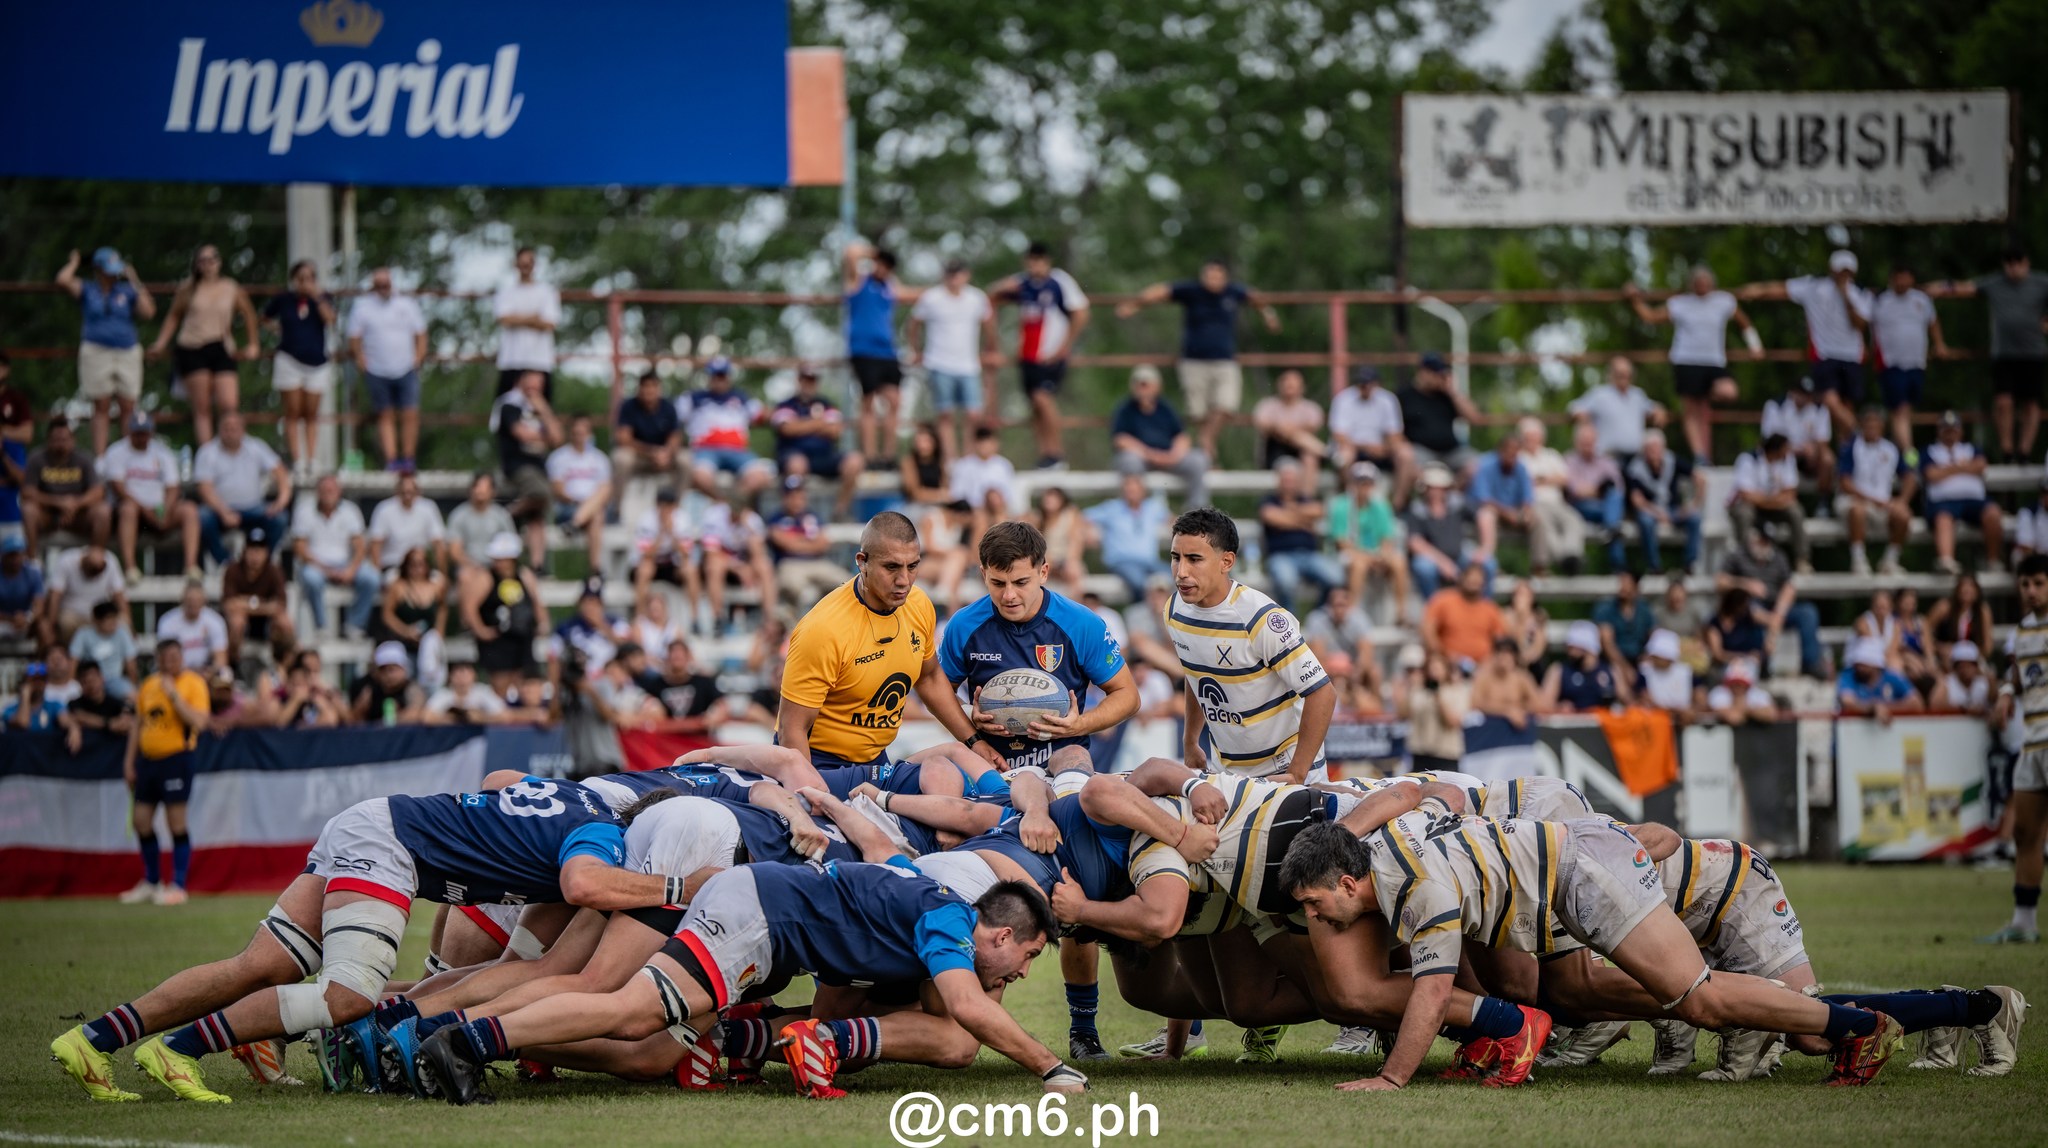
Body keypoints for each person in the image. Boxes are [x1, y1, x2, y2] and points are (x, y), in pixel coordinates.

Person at [52, 772, 672, 1106]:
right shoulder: (605, 835)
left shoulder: (574, 798)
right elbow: (584, 881)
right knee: (344, 998)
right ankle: (178, 1049)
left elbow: (504, 778)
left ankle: (92, 1040)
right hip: (388, 848)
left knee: (261, 964)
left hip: (373, 822)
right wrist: (675, 885)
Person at [1280, 817, 1909, 1095]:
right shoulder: (1385, 847)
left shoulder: (1418, 890)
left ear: (1346, 882)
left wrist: (1391, 1078)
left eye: (1313, 903)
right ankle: (1846, 1025)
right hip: (1579, 864)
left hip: (1586, 874)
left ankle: (1859, 1029)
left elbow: (1434, 994)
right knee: (1699, 999)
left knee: (1705, 1002)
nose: (1315, 919)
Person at [414, 866, 1072, 1106]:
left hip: (761, 909)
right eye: (1030, 956)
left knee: (637, 1027)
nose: (1021, 974)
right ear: (1001, 935)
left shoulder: (933, 912)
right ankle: (464, 1040)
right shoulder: (948, 920)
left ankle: (470, 1038)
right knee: (627, 1010)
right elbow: (960, 1007)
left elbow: (835, 1003)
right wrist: (1052, 1068)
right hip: (758, 914)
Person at [778, 511, 993, 775]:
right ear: (862, 561)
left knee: (952, 773)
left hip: (876, 762)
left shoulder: (919, 604)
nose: (904, 580)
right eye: (891, 567)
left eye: (912, 566)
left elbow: (929, 678)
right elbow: (792, 731)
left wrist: (974, 741)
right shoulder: (822, 629)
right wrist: (810, 796)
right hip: (820, 765)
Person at [940, 521, 1139, 788]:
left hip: (1061, 760)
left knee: (1074, 767)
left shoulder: (1080, 623)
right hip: (990, 762)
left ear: (1043, 572)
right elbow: (937, 692)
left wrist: (1077, 725)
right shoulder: (963, 625)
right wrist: (971, 729)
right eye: (998, 583)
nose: (1009, 595)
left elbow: (1128, 696)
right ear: (983, 574)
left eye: (1021, 582)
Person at [1166, 507, 1334, 783]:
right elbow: (1196, 673)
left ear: (1227, 561)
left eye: (1194, 559)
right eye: (1175, 558)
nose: (1181, 571)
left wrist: (1297, 773)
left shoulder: (1261, 619)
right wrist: (1190, 740)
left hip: (1285, 771)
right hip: (1229, 774)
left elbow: (1323, 694)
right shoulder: (1174, 610)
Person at [1118, 259, 1281, 461]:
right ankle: (1207, 454)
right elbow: (1161, 291)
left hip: (1224, 360)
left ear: (1225, 277)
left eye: (1218, 275)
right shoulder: (1192, 291)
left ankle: (1206, 442)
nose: (1213, 280)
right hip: (1193, 361)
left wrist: (1269, 314)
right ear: (1202, 276)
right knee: (1197, 412)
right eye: (1209, 275)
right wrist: (1135, 305)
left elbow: (1256, 297)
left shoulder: (1233, 292)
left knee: (1227, 405)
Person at [1623, 268, 1758, 460]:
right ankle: (1700, 456)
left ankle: (1703, 451)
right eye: (1698, 282)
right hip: (1685, 360)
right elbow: (1651, 317)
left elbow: (1744, 322)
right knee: (1693, 413)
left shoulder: (1724, 301)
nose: (1702, 285)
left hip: (1714, 362)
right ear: (1691, 284)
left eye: (1705, 281)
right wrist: (1634, 299)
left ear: (1712, 283)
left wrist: (1755, 345)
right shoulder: (1680, 304)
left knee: (1727, 392)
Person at [1929, 249, 2048, 460]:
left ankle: (2025, 450)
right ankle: (2007, 449)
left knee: (2031, 403)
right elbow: (1966, 287)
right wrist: (1940, 287)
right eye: (2009, 262)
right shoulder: (1995, 283)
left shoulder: (2041, 282)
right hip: (2004, 353)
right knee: (2003, 402)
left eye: (2018, 261)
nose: (2014, 267)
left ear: (2027, 263)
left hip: (2034, 352)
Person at [1739, 250, 1874, 435]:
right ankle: (1862, 434)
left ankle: (1848, 451)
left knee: (1846, 406)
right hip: (1825, 354)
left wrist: (1846, 297)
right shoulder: (1814, 286)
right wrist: (1756, 290)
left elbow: (1860, 324)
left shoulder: (1861, 293)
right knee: (1831, 401)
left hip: (1852, 355)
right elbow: (1782, 289)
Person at [123, 638, 211, 906]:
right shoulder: (148, 685)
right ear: (158, 659)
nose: (169, 661)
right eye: (164, 657)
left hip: (177, 758)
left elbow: (199, 722)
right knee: (141, 821)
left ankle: (179, 885)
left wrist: (174, 695)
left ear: (182, 657)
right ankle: (151, 881)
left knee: (176, 822)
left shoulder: (192, 683)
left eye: (174, 656)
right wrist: (129, 761)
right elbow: (138, 724)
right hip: (148, 762)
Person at [990, 241, 1090, 470]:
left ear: (1047, 261)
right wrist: (1007, 284)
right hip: (1029, 355)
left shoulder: (1059, 281)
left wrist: (1064, 347)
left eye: (1039, 260)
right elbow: (993, 294)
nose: (1035, 265)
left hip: (1051, 355)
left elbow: (1082, 313)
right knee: (1034, 405)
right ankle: (1045, 454)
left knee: (1043, 399)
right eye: (1031, 261)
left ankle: (1057, 453)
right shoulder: (1023, 284)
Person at [1990, 553, 2048, 943]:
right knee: (2026, 831)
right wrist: (2008, 691)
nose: (2031, 591)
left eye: (2039, 583)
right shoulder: (2024, 631)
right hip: (2032, 741)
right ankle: (2024, 923)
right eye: (2025, 584)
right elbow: (2019, 672)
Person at [147, 244, 258, 444]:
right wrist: (160, 343)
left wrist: (253, 344)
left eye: (212, 259)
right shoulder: (188, 288)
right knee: (202, 408)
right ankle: (207, 457)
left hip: (222, 346)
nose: (208, 265)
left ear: (219, 261)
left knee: (229, 404)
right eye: (203, 260)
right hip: (192, 347)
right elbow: (174, 316)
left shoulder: (230, 287)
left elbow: (248, 313)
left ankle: (232, 449)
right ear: (197, 264)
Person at [57, 246, 155, 455]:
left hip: (126, 349)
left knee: (128, 404)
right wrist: (75, 262)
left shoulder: (127, 290)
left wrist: (134, 279)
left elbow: (148, 312)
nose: (113, 274)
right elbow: (63, 279)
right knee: (100, 405)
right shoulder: (88, 289)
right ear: (98, 269)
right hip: (96, 349)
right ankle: (101, 458)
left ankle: (129, 456)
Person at [906, 259, 998, 460]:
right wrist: (915, 350)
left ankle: (969, 457)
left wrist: (991, 349)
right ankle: (950, 459)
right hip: (938, 363)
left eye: (958, 273)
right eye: (950, 273)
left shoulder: (976, 298)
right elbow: (913, 324)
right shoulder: (931, 298)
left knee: (973, 414)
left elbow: (989, 324)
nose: (954, 278)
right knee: (944, 413)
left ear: (966, 275)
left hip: (968, 365)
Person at [346, 266, 428, 470]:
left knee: (410, 414)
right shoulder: (362, 307)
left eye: (387, 284)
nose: (384, 288)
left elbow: (421, 333)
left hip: (406, 368)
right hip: (376, 370)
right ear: (373, 286)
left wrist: (418, 358)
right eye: (379, 285)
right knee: (384, 416)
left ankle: (408, 460)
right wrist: (360, 360)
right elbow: (354, 337)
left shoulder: (406, 304)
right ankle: (392, 461)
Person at [100, 411, 197, 582]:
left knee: (189, 510)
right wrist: (145, 510)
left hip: (159, 510)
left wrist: (164, 511)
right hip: (131, 512)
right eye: (137, 432)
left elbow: (173, 487)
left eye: (144, 432)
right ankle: (130, 568)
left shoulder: (162, 452)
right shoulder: (116, 452)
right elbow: (118, 488)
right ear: (129, 431)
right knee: (128, 510)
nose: (141, 437)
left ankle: (190, 566)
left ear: (151, 432)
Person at [261, 259, 337, 475]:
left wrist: (317, 297)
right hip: (288, 360)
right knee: (292, 412)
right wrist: (276, 329)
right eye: (301, 278)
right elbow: (264, 318)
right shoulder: (283, 300)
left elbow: (330, 320)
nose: (305, 282)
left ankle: (312, 459)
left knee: (311, 413)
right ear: (294, 280)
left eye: (310, 278)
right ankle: (298, 459)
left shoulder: (324, 299)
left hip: (317, 363)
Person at [842, 243, 914, 461]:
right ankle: (870, 456)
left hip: (888, 353)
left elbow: (907, 292)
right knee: (868, 402)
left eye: (887, 266)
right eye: (880, 264)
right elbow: (852, 252)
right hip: (863, 352)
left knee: (895, 401)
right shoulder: (859, 282)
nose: (882, 269)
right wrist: (877, 253)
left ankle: (888, 455)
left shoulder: (888, 288)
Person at [1719, 527, 1822, 678]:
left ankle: (1811, 663)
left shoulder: (1778, 557)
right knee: (1751, 610)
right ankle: (1763, 664)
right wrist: (1746, 584)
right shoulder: (1738, 555)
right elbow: (1720, 581)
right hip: (1748, 607)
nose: (1764, 544)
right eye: (1762, 540)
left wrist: (1779, 612)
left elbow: (1789, 587)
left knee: (1808, 613)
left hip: (1776, 608)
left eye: (1767, 541)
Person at [193, 413, 290, 567]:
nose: (231, 433)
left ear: (243, 430)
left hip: (254, 508)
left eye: (234, 428)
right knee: (202, 517)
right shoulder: (207, 452)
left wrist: (281, 501)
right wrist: (223, 512)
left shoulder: (256, 447)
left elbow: (281, 473)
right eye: (227, 428)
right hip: (220, 511)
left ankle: (263, 562)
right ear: (219, 429)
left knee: (280, 518)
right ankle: (224, 563)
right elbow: (204, 489)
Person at [1871, 265, 1950, 454]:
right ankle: (1909, 452)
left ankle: (1895, 447)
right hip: (1891, 362)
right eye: (1898, 277)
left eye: (1905, 277)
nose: (1901, 282)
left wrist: (1939, 344)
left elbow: (1933, 322)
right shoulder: (1880, 301)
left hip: (1916, 362)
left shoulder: (1921, 299)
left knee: (1906, 409)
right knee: (1900, 408)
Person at [771, 363, 866, 519]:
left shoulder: (827, 403)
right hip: (794, 454)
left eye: (812, 380)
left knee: (856, 461)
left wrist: (801, 424)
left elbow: (835, 431)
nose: (808, 383)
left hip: (824, 456)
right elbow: (787, 429)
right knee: (797, 464)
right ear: (799, 381)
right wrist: (819, 423)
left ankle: (840, 511)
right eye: (805, 379)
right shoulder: (785, 404)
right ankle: (800, 515)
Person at [489, 369, 563, 568]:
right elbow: (523, 435)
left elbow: (558, 438)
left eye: (540, 381)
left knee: (537, 517)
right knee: (543, 494)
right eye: (532, 379)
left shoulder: (542, 407)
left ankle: (537, 565)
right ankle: (506, 515)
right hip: (516, 466)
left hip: (538, 468)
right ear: (521, 380)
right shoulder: (508, 405)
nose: (536, 385)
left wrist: (544, 410)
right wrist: (547, 438)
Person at [291, 474, 380, 639]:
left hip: (345, 563)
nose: (328, 494)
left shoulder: (350, 511)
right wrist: (325, 570)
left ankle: (355, 625)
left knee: (371, 578)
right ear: (317, 492)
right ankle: (321, 626)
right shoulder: (304, 511)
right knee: (311, 578)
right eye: (324, 490)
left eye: (331, 490)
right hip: (315, 564)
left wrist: (351, 570)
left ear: (339, 492)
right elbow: (300, 549)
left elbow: (360, 547)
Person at [461, 534, 551, 695]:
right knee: (500, 683)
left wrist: (543, 622)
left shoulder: (524, 576)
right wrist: (480, 630)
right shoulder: (486, 578)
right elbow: (469, 606)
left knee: (525, 682)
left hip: (522, 636)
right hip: (498, 639)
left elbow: (536, 601)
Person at [1111, 365, 1209, 507]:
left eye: (1146, 385)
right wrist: (1150, 454)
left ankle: (1197, 510)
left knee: (1198, 460)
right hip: (1142, 459)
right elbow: (1120, 440)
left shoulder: (1166, 409)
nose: (1142, 389)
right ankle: (1137, 510)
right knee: (1129, 460)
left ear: (1157, 386)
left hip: (1169, 458)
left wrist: (1173, 455)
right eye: (1139, 385)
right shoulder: (1125, 410)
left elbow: (1182, 436)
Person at [680, 356, 773, 501]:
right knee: (699, 476)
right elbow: (671, 417)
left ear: (728, 377)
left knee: (762, 475)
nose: (719, 380)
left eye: (722, 376)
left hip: (737, 451)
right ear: (709, 377)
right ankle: (724, 504)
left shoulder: (742, 398)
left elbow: (766, 415)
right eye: (715, 376)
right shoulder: (694, 398)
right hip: (706, 450)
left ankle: (734, 504)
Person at [1922, 410, 2003, 575]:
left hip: (1974, 501)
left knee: (1994, 513)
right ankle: (1946, 561)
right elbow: (1931, 474)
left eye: (1953, 429)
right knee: (1943, 518)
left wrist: (1947, 469)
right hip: (1943, 502)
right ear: (1939, 431)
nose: (1950, 434)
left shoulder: (1972, 448)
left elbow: (1980, 466)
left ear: (1960, 431)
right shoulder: (1928, 451)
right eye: (1946, 429)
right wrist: (1963, 467)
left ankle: (1992, 561)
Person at [1838, 406, 1914, 577]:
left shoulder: (1892, 449)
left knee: (1904, 515)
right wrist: (1872, 499)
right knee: (1857, 510)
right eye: (1868, 423)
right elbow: (1845, 483)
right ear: (1861, 425)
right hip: (1854, 500)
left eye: (1876, 423)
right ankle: (1858, 560)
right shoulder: (1850, 447)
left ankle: (1890, 560)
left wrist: (1902, 501)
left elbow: (1910, 476)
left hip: (1882, 503)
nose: (1872, 427)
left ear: (1883, 426)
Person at [1328, 461, 1408, 619]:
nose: (1365, 487)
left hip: (1373, 553)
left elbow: (1387, 538)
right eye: (1361, 482)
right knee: (1359, 565)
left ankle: (1401, 612)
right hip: (1350, 554)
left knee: (1399, 562)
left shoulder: (1381, 506)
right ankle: (1353, 612)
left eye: (1368, 483)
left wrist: (1383, 554)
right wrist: (1371, 557)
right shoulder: (1341, 505)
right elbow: (1342, 543)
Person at [1259, 459, 1343, 610]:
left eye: (1292, 480)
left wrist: (1287, 514)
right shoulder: (1268, 500)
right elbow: (1271, 516)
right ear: (1279, 481)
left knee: (1336, 577)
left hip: (1309, 555)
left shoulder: (1305, 499)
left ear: (1298, 481)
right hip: (1280, 555)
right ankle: (1289, 623)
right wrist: (1304, 522)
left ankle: (1316, 616)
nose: (1288, 483)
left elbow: (1319, 510)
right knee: (1286, 581)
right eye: (1285, 479)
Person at [1328, 365, 1417, 504]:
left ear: (1377, 383)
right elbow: (1339, 435)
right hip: (1354, 449)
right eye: (1362, 383)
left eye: (1368, 382)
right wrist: (1367, 447)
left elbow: (1395, 434)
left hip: (1381, 450)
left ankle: (1398, 504)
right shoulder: (1343, 398)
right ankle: (1349, 501)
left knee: (1406, 454)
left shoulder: (1388, 399)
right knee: (1344, 455)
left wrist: (1385, 448)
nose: (1365, 386)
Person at [22, 416, 109, 553]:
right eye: (56, 440)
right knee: (28, 510)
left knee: (103, 510)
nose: (61, 444)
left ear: (73, 440)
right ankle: (32, 561)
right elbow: (27, 493)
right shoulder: (36, 458)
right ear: (48, 441)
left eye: (65, 439)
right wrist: (58, 502)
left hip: (78, 516)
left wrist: (75, 504)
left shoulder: (84, 459)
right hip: (47, 515)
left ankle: (96, 557)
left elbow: (98, 491)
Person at [1728, 433, 1809, 572]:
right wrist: (1775, 499)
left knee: (1796, 511)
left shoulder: (1788, 460)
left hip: (1772, 508)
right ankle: (1743, 560)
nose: (1788, 453)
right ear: (1775, 450)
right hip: (1752, 507)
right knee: (1744, 513)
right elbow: (1746, 495)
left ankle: (1802, 559)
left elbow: (1790, 494)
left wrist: (1766, 500)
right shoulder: (1748, 459)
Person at [1624, 429, 1701, 575]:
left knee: (1695, 518)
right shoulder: (1635, 469)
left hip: (1673, 509)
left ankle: (1690, 564)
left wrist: (1693, 504)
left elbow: (1700, 479)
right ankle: (1654, 566)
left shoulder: (1672, 460)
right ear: (1644, 451)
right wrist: (1658, 514)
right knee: (1645, 522)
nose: (1654, 452)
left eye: (1657, 448)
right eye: (1650, 449)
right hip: (1650, 510)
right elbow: (1637, 500)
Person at [1083, 471, 1170, 600]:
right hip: (1122, 561)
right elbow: (1082, 516)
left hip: (1149, 561)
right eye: (1128, 490)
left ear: (1142, 491)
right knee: (1139, 583)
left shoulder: (1152, 508)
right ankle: (1142, 616)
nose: (1131, 493)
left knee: (1177, 576)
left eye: (1134, 490)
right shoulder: (1112, 508)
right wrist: (1088, 529)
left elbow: (1172, 520)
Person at [546, 414, 614, 572]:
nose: (579, 436)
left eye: (583, 432)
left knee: (598, 508)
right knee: (597, 513)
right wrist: (581, 502)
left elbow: (605, 490)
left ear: (590, 434)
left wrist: (588, 505)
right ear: (571, 433)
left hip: (592, 508)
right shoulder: (558, 457)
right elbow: (557, 490)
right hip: (567, 507)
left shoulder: (600, 459)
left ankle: (575, 524)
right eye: (576, 432)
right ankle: (595, 569)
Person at [220, 524, 295, 667]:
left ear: (266, 552)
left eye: (259, 550)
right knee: (237, 622)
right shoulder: (233, 570)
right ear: (244, 551)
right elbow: (229, 605)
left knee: (285, 623)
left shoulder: (274, 571)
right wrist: (264, 604)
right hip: (244, 620)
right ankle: (233, 664)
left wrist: (245, 603)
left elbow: (280, 606)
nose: (255, 555)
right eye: (252, 549)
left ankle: (285, 666)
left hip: (266, 621)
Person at [766, 476, 843, 613]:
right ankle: (794, 626)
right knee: (793, 586)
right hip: (790, 563)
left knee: (846, 583)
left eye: (799, 493)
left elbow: (823, 543)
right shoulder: (776, 518)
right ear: (784, 497)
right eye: (791, 495)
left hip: (817, 562)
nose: (796, 498)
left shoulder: (813, 516)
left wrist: (795, 540)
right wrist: (808, 542)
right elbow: (784, 543)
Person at [1517, 416, 1583, 575]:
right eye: (1528, 436)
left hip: (1557, 503)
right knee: (1545, 527)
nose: (1532, 440)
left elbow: (1565, 479)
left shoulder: (1551, 455)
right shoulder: (1518, 458)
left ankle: (1571, 555)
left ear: (1541, 437)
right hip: (1533, 504)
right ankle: (1565, 561)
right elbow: (1521, 484)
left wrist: (1540, 479)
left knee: (1574, 520)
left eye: (1535, 436)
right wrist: (1548, 479)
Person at [1569, 356, 1665, 465]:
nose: (1624, 377)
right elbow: (1575, 406)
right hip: (1608, 456)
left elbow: (1652, 407)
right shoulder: (1600, 394)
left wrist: (1659, 409)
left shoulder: (1637, 395)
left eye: (1627, 374)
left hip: (1636, 457)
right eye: (1620, 374)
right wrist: (1581, 416)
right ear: (1611, 375)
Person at [1397, 352, 1480, 474]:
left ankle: (1453, 491)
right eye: (1436, 373)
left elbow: (1474, 418)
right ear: (1423, 372)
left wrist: (1452, 392)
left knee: (1478, 465)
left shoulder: (1447, 395)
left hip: (1451, 451)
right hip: (1421, 451)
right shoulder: (1404, 396)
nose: (1439, 377)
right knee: (1413, 462)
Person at [493, 245, 560, 398]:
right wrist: (534, 318)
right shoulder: (506, 291)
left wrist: (517, 318)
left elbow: (549, 323)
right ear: (515, 264)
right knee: (505, 408)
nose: (526, 266)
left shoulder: (547, 292)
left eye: (529, 262)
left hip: (540, 360)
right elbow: (503, 319)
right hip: (511, 360)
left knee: (541, 411)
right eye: (523, 263)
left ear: (535, 265)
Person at [1405, 463, 1478, 600]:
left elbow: (1483, 514)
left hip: (1460, 554)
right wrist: (1443, 563)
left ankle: (1480, 608)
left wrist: (1486, 548)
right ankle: (1435, 608)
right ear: (1425, 489)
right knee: (1423, 568)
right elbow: (1415, 542)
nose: (1436, 492)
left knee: (1486, 563)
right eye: (1432, 487)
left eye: (1440, 488)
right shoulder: (1417, 509)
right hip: (1432, 559)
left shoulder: (1458, 503)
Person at [610, 370, 689, 495]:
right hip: (640, 456)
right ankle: (616, 509)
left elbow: (675, 437)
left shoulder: (668, 407)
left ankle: (676, 507)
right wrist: (651, 452)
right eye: (645, 386)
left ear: (659, 388)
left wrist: (666, 453)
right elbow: (624, 439)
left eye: (653, 386)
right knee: (621, 459)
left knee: (685, 460)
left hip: (664, 457)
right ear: (639, 388)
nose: (649, 390)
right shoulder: (629, 406)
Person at [40, 542, 128, 652]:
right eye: (93, 571)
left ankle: (112, 661)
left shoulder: (111, 560)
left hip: (100, 617)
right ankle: (71, 656)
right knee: (66, 622)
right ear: (84, 562)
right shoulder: (66, 560)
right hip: (73, 616)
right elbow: (55, 596)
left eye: (98, 572)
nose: (95, 575)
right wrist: (51, 626)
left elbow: (119, 596)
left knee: (123, 624)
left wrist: (130, 627)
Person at [1761, 378, 1836, 504]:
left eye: (1807, 395)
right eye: (1801, 393)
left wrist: (1814, 448)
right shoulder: (1775, 406)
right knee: (1774, 455)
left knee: (1828, 458)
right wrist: (1793, 449)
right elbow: (1770, 441)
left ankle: (1823, 502)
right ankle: (1776, 498)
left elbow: (1823, 441)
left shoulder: (1819, 408)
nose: (1804, 398)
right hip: (1782, 453)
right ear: (1792, 392)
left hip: (1808, 458)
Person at [1563, 422, 1627, 570]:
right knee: (1614, 522)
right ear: (1576, 443)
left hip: (1606, 506)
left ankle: (1611, 530)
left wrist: (1594, 491)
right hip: (1581, 507)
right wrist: (1600, 490)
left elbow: (1618, 488)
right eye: (1584, 443)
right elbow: (1575, 491)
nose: (1588, 446)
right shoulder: (1569, 461)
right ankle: (1620, 567)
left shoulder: (1606, 461)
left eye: (1591, 442)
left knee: (1615, 499)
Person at [1422, 560, 1505, 667]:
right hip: (1447, 665)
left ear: (1484, 583)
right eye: (1470, 576)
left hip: (1483, 667)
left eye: (1478, 578)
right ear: (1462, 578)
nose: (1474, 580)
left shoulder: (1491, 609)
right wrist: (1442, 655)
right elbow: (1428, 630)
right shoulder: (1442, 600)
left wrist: (1491, 660)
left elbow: (1500, 640)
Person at [376, 547, 448, 669]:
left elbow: (442, 609)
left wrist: (438, 633)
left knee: (430, 666)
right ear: (406, 565)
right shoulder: (397, 587)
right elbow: (387, 615)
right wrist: (405, 631)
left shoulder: (436, 586)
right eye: (413, 564)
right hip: (403, 640)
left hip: (427, 642)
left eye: (421, 564)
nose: (417, 569)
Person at [1249, 368, 1327, 480]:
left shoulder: (1311, 408)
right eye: (1286, 382)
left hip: (1302, 451)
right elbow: (1264, 426)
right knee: (1289, 466)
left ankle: (1306, 497)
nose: (1289, 386)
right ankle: (1325, 453)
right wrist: (1288, 431)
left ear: (1302, 387)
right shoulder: (1267, 405)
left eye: (1293, 383)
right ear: (1279, 385)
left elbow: (1313, 427)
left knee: (1309, 460)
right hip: (1275, 451)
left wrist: (1283, 429)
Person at [1397, 649, 1468, 771]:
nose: (1433, 673)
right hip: (1421, 754)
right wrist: (1409, 688)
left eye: (1437, 668)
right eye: (1431, 669)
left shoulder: (1456, 691)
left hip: (1446, 754)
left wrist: (1438, 696)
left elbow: (1453, 721)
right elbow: (1402, 714)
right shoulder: (1419, 691)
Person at [367, 471, 447, 578]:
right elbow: (375, 545)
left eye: (411, 491)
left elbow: (438, 543)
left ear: (417, 491)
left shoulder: (429, 508)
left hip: (421, 565)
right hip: (393, 566)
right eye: (404, 491)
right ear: (397, 490)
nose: (407, 495)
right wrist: (377, 575)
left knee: (438, 583)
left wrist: (443, 573)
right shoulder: (384, 509)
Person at [1468, 433, 1532, 567]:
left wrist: (1525, 512)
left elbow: (1527, 497)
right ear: (1500, 451)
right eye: (1509, 451)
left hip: (1514, 513)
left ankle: (1539, 566)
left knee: (1537, 518)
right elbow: (1483, 498)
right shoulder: (1485, 465)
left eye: (1515, 452)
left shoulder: (1521, 468)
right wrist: (1507, 513)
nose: (1511, 456)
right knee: (1486, 515)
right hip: (1490, 511)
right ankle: (1487, 560)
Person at [948, 425, 1018, 543]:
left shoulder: (1004, 465)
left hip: (998, 509)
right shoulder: (963, 465)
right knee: (981, 520)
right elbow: (956, 495)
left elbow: (1009, 496)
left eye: (988, 442)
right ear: (975, 444)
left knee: (1001, 518)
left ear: (995, 444)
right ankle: (976, 559)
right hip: (973, 511)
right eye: (981, 442)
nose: (984, 446)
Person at [1544, 619, 1631, 711]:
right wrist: (1558, 707)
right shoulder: (1559, 670)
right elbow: (1544, 705)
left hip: (1603, 723)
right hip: (1572, 723)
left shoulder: (1611, 671)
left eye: (1573, 646)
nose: (1569, 650)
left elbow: (1628, 701)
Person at [445, 471, 517, 573]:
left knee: (527, 577)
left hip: (498, 568)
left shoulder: (501, 515)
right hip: (469, 569)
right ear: (470, 489)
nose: (480, 490)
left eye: (485, 487)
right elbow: (455, 552)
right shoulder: (458, 515)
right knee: (468, 577)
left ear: (493, 491)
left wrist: (498, 565)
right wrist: (475, 567)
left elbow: (511, 546)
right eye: (477, 486)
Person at [1837, 637, 1922, 721]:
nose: (1859, 668)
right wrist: (1872, 708)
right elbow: (1848, 703)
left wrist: (1883, 708)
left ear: (1876, 664)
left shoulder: (1891, 677)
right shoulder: (1849, 675)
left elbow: (1916, 703)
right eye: (1858, 663)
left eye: (1864, 664)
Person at [70, 600, 138, 700]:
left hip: (114, 680)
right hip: (89, 680)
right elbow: (73, 661)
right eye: (108, 619)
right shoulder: (83, 634)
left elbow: (131, 664)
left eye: (114, 619)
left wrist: (133, 685)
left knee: (133, 697)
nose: (113, 623)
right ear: (97, 620)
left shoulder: (122, 633)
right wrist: (71, 684)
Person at [1029, 486, 1089, 599]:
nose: (1049, 500)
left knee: (1074, 571)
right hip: (1045, 559)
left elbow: (1075, 541)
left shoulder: (1070, 515)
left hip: (1064, 560)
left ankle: (1075, 605)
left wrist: (1071, 560)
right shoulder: (1036, 518)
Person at [155, 581, 227, 674]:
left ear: (204, 601)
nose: (193, 604)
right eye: (190, 600)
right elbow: (166, 658)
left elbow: (221, 658)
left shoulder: (215, 621)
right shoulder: (168, 622)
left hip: (207, 671)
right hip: (177, 672)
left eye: (197, 600)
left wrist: (210, 672)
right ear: (182, 600)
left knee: (225, 674)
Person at [1928, 571, 1995, 671]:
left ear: (1977, 591)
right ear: (1957, 589)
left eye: (1971, 586)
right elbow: (1924, 631)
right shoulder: (1944, 607)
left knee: (1987, 677)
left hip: (1972, 659)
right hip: (1945, 658)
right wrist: (1938, 648)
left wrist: (1971, 656)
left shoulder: (1982, 611)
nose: (1966, 590)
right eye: (1963, 586)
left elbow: (1987, 646)